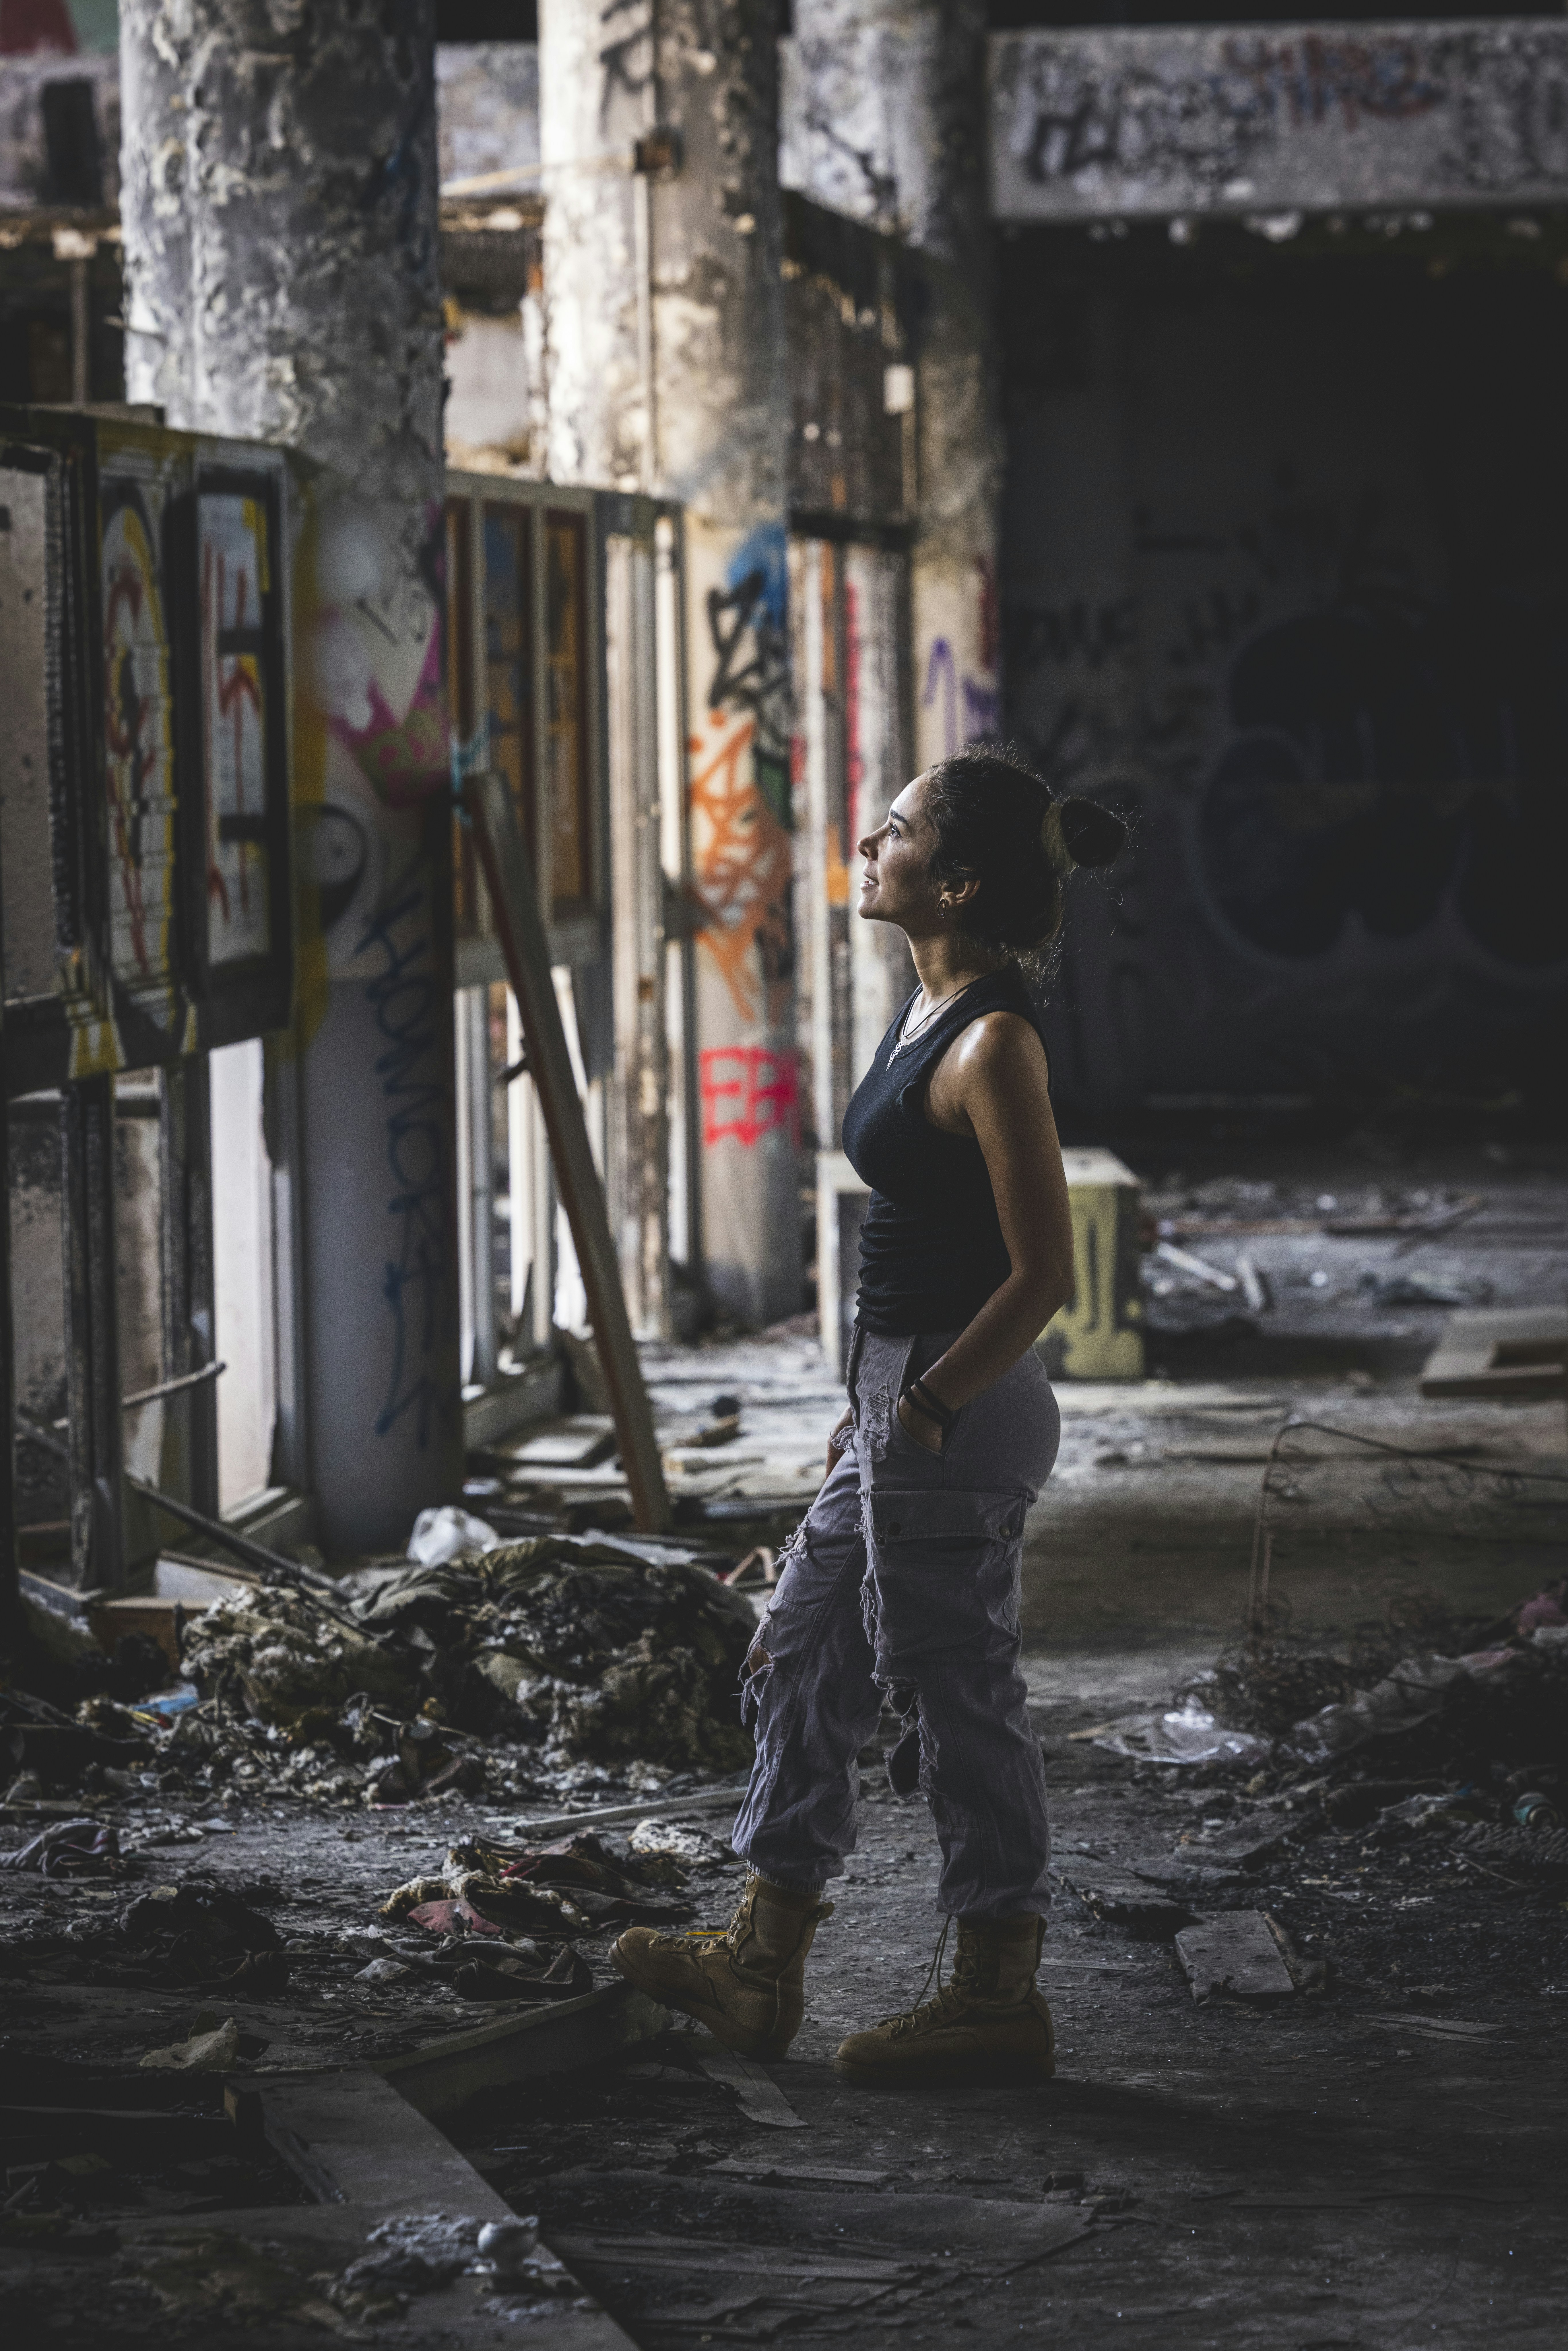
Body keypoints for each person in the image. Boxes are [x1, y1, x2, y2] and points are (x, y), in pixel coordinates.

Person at [614, 745, 1128, 2082]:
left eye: (892, 830)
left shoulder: (994, 1040)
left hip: (958, 1397)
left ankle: (996, 1992)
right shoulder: (926, 1005)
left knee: (957, 1693)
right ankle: (757, 1963)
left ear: (956, 883)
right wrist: (872, 1402)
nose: (866, 843)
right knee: (803, 1649)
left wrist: (931, 1402)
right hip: (900, 1391)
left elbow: (1043, 1275)